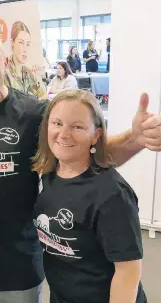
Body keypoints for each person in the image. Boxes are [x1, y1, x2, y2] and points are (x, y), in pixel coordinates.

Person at [0, 29, 161, 303]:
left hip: (19, 262)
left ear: (5, 61)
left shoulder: (33, 113)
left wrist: (134, 139)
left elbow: (82, 153)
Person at [32, 90, 147, 303]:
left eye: (77, 127)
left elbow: (128, 270)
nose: (64, 134)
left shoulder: (112, 195)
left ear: (95, 135)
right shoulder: (50, 174)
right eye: (57, 123)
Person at [5, 21, 46, 99]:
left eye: (28, 44)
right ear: (12, 43)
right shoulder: (5, 74)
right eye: (21, 42)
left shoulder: (29, 73)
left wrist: (39, 77)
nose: (25, 49)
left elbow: (44, 98)